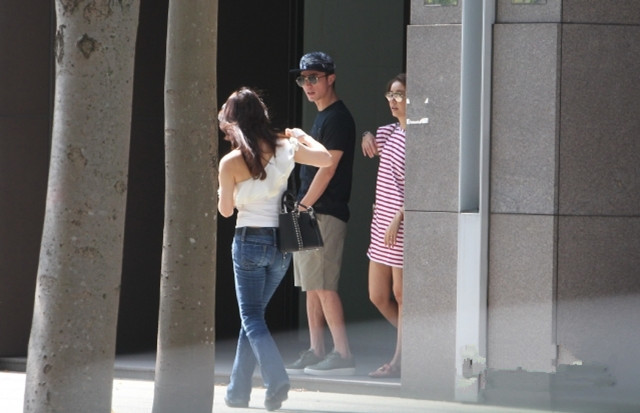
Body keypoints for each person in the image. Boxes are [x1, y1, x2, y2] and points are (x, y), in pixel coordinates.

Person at [217, 87, 332, 410]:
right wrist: (303, 136)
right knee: (253, 319)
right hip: (281, 244)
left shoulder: (230, 162)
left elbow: (225, 211)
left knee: (251, 318)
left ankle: (276, 379)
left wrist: (226, 193)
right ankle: (237, 393)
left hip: (248, 241)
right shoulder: (285, 147)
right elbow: (325, 159)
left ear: (233, 123)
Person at [285, 51, 357, 376]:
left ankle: (343, 355)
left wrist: (303, 206)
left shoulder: (338, 118)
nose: (308, 85)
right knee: (310, 285)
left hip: (322, 211)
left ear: (331, 78)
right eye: (303, 79)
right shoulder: (321, 117)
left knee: (325, 285)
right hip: (306, 210)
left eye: (314, 77)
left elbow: (328, 170)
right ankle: (317, 350)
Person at [361, 73, 407, 378]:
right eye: (390, 95)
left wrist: (400, 215)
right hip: (380, 223)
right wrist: (366, 135)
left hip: (400, 223)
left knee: (401, 294)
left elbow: (425, 184)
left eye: (400, 94)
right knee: (377, 295)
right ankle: (416, 343)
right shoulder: (390, 132)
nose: (393, 101)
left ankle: (400, 359)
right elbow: (371, 138)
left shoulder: (421, 136)